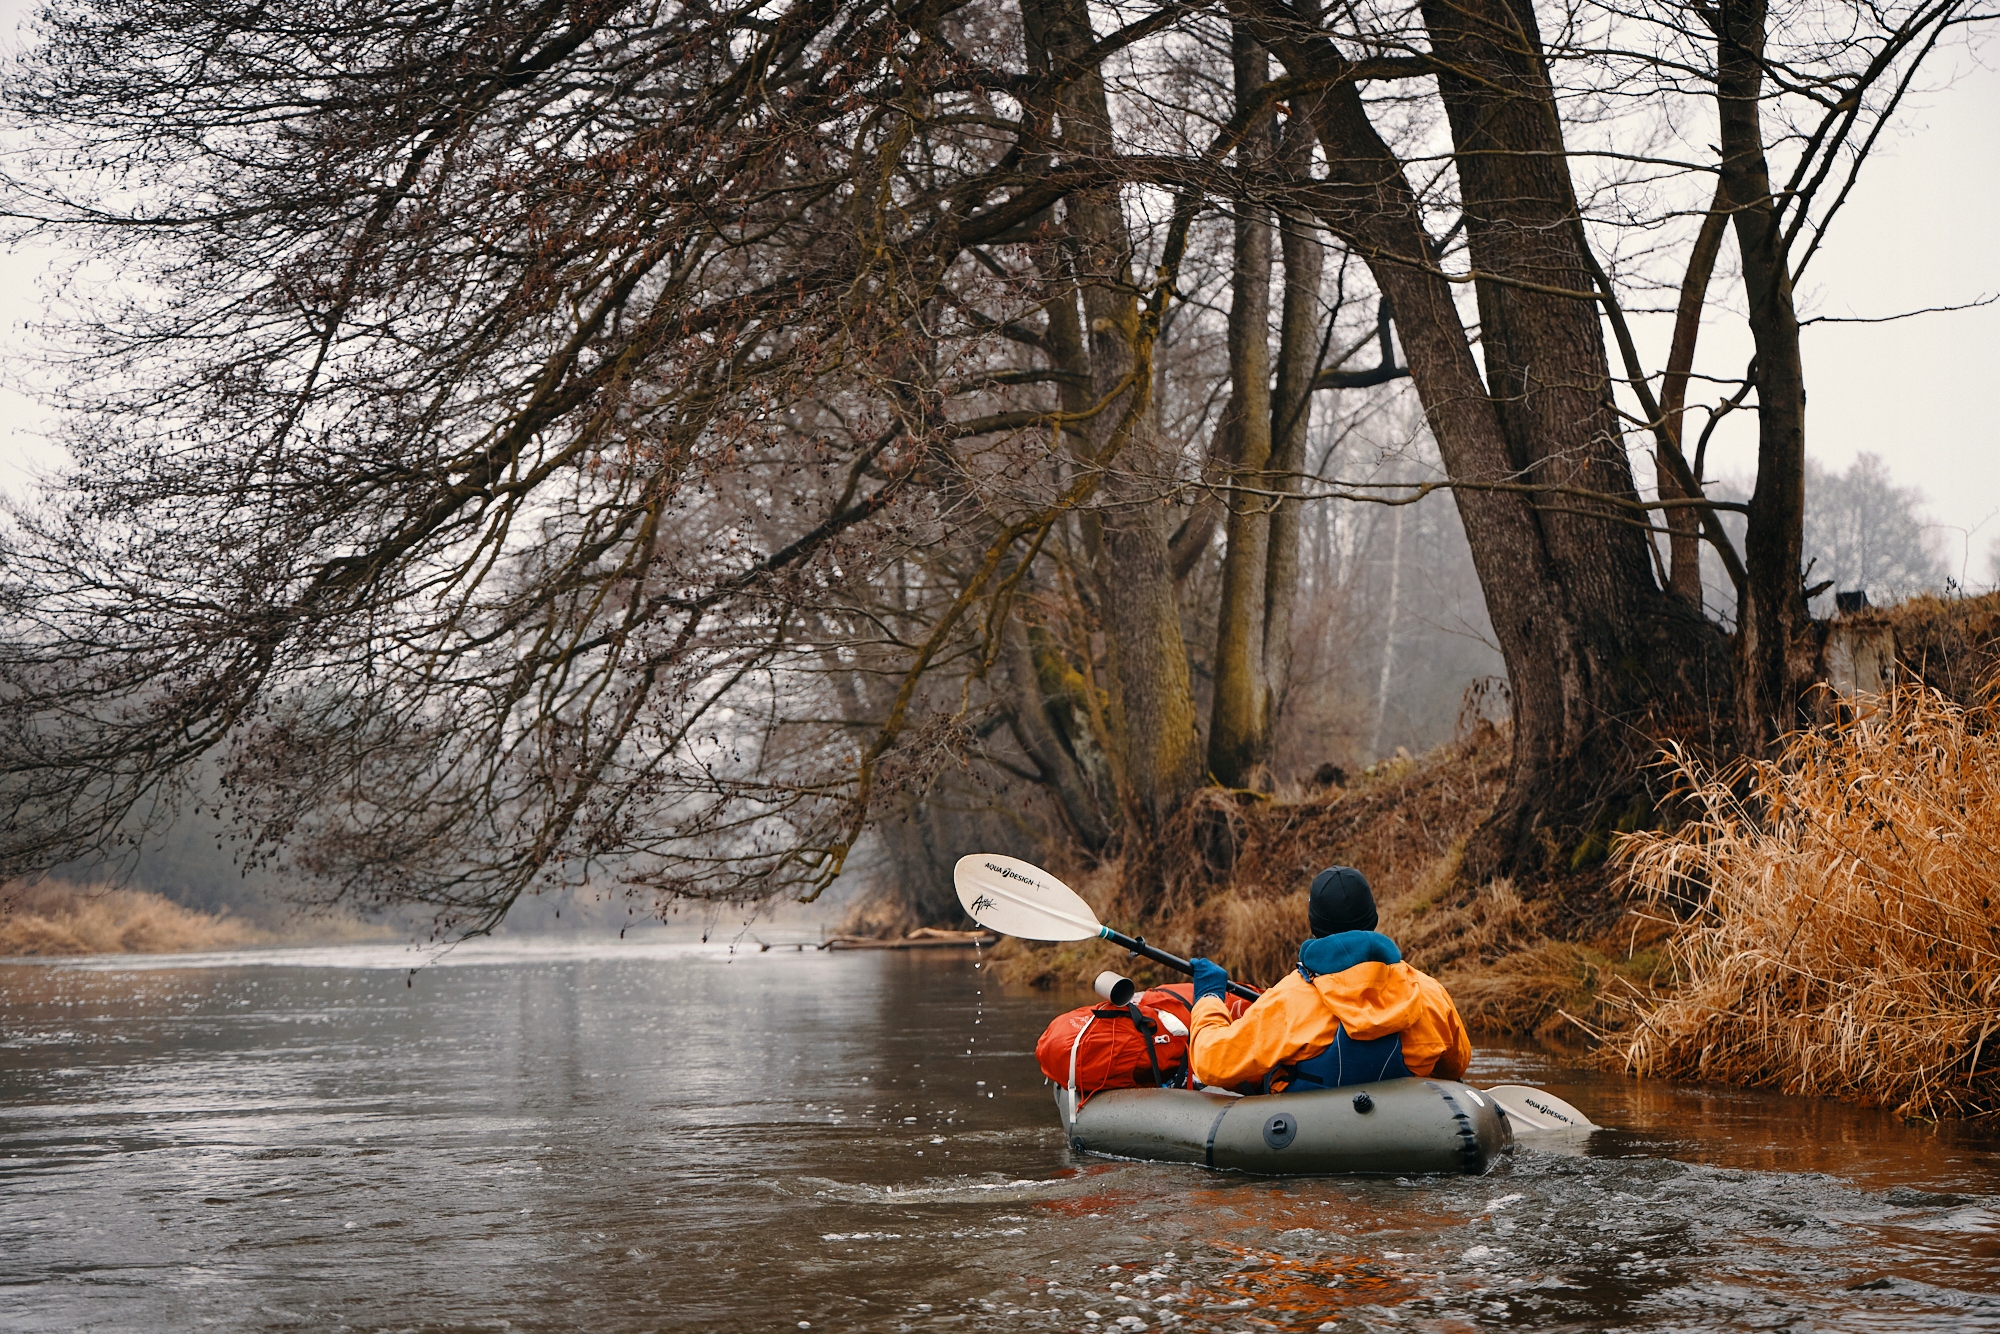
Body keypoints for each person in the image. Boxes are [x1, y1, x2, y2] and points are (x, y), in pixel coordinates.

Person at [1185, 866, 1471, 1092]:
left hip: (1309, 1138)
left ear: (1314, 925)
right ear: (1373, 919)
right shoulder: (1429, 992)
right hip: (1410, 1134)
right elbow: (1455, 1066)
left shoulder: (1288, 1000)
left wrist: (1209, 997)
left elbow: (1211, 1063)